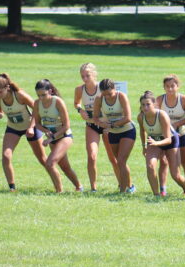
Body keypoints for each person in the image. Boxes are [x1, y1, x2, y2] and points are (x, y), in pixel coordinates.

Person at [0, 73, 47, 191]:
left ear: (7, 88)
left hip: (30, 128)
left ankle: (58, 185)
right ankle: (12, 188)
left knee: (42, 159)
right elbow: (0, 111)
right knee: (6, 156)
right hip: (13, 128)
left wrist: (31, 127)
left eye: (0, 92)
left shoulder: (20, 95)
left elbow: (37, 109)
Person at [73, 63, 119, 193]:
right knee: (92, 156)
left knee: (113, 158)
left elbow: (115, 101)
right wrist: (80, 110)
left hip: (105, 126)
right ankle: (93, 188)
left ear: (94, 74)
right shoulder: (79, 89)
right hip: (91, 125)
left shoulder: (103, 88)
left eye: (87, 75)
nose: (85, 79)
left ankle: (123, 185)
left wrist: (110, 123)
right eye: (82, 76)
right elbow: (76, 103)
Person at [32, 79, 82, 193]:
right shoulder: (37, 103)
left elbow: (67, 125)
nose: (41, 98)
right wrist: (45, 131)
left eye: (43, 95)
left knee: (49, 164)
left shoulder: (58, 102)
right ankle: (79, 187)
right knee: (65, 167)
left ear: (50, 91)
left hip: (64, 136)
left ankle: (59, 192)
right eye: (38, 95)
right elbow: (37, 123)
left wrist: (51, 138)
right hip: (52, 139)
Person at [138, 91, 185, 197]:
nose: (145, 107)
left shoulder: (161, 115)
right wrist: (144, 146)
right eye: (143, 105)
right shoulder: (140, 117)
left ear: (154, 104)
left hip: (170, 141)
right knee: (150, 166)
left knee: (175, 175)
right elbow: (142, 131)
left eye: (148, 104)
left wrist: (156, 143)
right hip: (154, 141)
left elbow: (168, 139)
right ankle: (157, 195)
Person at [93, 79, 136, 194]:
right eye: (104, 94)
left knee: (121, 160)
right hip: (113, 133)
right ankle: (130, 186)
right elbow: (95, 118)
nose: (107, 96)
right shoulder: (99, 99)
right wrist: (102, 124)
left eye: (109, 93)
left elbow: (128, 118)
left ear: (115, 89)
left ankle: (123, 190)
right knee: (119, 161)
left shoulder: (121, 96)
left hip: (127, 130)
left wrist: (112, 124)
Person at [158, 74, 185, 195]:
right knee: (164, 161)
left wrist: (177, 124)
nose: (170, 89)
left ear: (177, 86)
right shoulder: (159, 100)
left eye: (172, 86)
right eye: (167, 86)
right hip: (165, 135)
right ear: (164, 87)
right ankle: (163, 190)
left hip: (181, 133)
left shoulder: (184, 100)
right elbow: (154, 116)